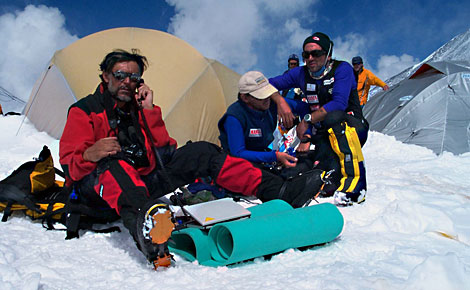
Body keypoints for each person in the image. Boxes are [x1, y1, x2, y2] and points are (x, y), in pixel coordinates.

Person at [59, 49, 326, 270]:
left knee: (201, 151)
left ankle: (278, 190)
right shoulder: (85, 111)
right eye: (120, 75)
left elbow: (164, 152)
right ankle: (150, 231)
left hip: (141, 184)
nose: (128, 81)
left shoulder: (139, 110)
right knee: (114, 165)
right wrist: (88, 154)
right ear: (105, 77)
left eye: (134, 76)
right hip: (98, 188)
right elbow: (70, 163)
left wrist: (150, 111)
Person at [268, 32, 368, 206]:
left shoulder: (342, 69)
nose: (311, 58)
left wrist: (306, 121)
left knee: (334, 118)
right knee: (315, 178)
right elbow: (266, 84)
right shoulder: (300, 73)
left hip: (350, 127)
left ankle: (356, 187)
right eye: (306, 54)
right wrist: (280, 102)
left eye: (317, 53)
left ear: (328, 55)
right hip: (322, 134)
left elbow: (339, 103)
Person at [218, 71, 309, 169]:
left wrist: (306, 130)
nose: (266, 98)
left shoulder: (272, 103)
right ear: (245, 98)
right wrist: (274, 156)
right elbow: (238, 153)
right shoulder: (235, 116)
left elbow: (305, 108)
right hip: (238, 165)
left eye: (267, 93)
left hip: (263, 155)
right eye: (260, 96)